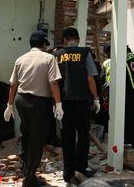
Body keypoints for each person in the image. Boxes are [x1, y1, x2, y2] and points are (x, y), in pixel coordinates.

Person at [4, 30, 62, 187]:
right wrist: (58, 104)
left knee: (26, 133)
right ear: (43, 44)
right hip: (39, 103)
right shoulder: (49, 58)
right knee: (37, 140)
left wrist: (9, 105)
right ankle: (29, 179)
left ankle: (25, 168)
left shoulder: (20, 59)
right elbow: (54, 83)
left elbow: (13, 85)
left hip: (21, 101)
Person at [53, 27, 99, 183]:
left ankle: (68, 173)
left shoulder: (57, 54)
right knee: (83, 136)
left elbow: (54, 81)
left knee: (67, 137)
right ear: (78, 39)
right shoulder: (85, 53)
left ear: (64, 40)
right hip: (82, 102)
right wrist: (96, 98)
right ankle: (81, 169)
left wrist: (56, 103)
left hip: (64, 102)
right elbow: (90, 79)